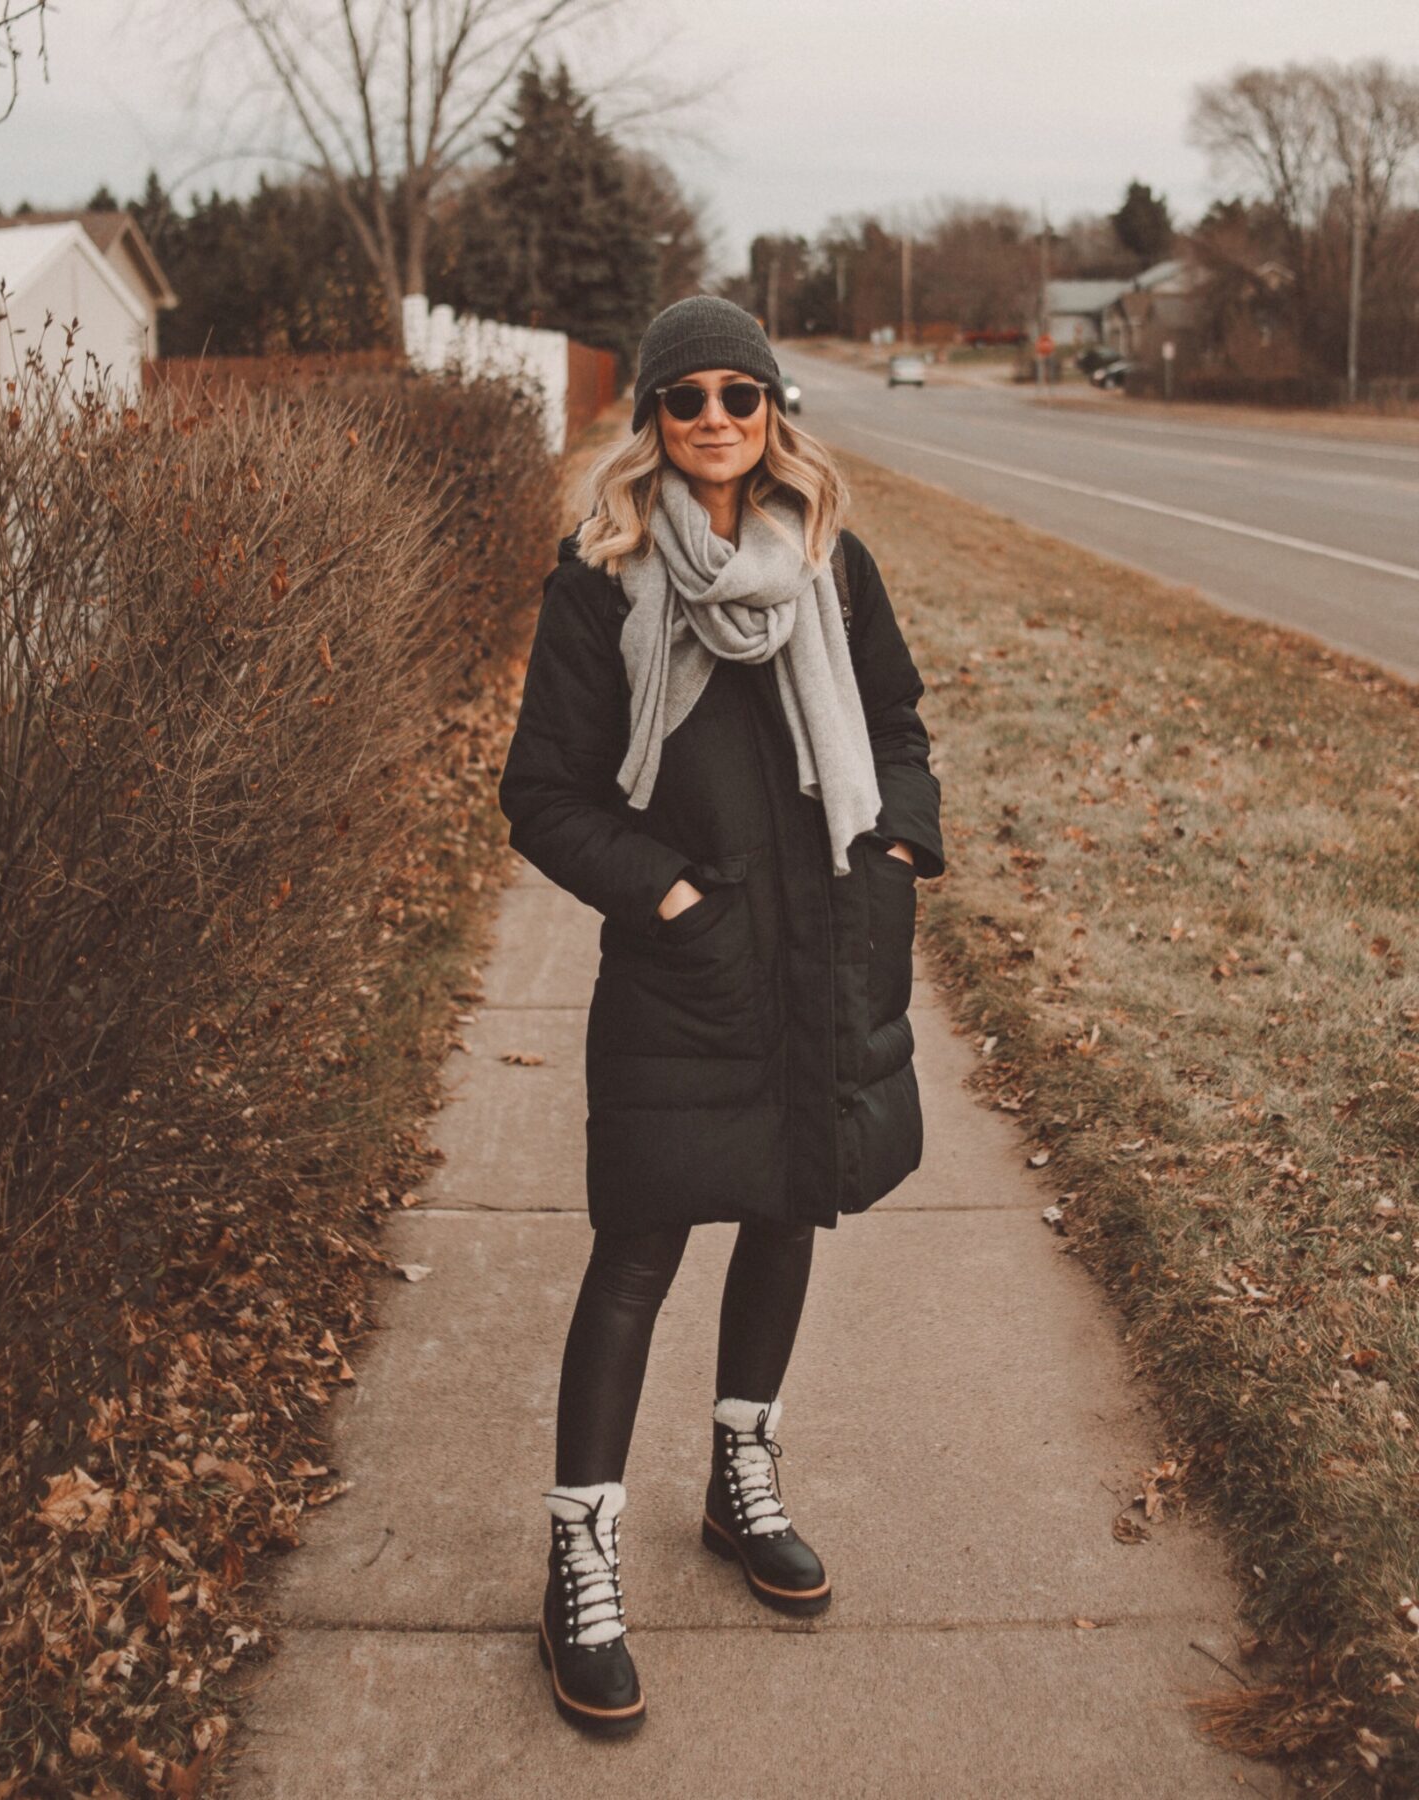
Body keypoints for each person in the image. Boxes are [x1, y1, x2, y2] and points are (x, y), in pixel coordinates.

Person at [498, 295, 944, 1737]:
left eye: (735, 397)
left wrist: (893, 850)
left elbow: (894, 731)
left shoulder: (832, 563)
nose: (710, 419)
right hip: (685, 968)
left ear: (773, 414)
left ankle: (737, 1480)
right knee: (637, 1250)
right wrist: (669, 899)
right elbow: (546, 795)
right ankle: (580, 1551)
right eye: (683, 397)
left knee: (787, 1207)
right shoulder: (599, 580)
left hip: (823, 946)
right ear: (650, 418)